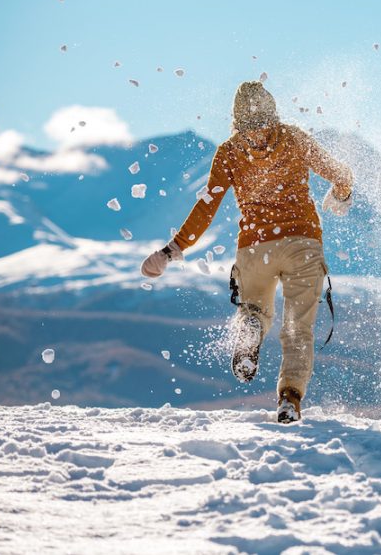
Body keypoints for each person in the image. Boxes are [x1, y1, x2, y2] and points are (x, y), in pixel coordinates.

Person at [141, 81, 353, 423]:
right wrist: (341, 195)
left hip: (256, 249)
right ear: (273, 113)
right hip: (302, 245)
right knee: (298, 327)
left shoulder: (229, 150)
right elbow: (341, 174)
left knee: (254, 308)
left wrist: (172, 250)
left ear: (236, 121)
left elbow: (206, 207)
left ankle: (250, 325)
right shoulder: (294, 137)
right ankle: (289, 399)